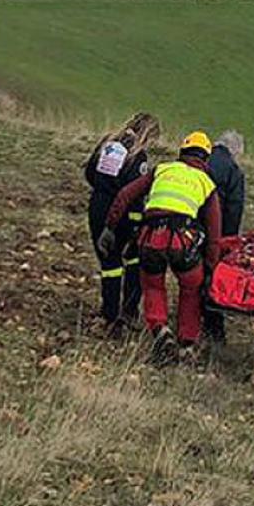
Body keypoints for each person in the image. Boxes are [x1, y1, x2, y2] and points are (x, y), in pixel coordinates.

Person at [102, 131, 221, 360]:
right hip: (182, 241)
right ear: (206, 159)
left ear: (181, 153)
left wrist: (110, 226)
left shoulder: (162, 169)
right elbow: (214, 233)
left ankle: (160, 330)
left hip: (150, 237)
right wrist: (210, 267)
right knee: (191, 288)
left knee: (153, 286)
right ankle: (187, 343)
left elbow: (125, 194)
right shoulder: (207, 184)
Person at [83, 112, 160, 334]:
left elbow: (89, 173)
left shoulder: (106, 144)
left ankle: (109, 313)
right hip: (125, 213)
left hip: (98, 206)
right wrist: (137, 226)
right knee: (133, 260)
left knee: (109, 263)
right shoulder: (138, 156)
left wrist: (103, 187)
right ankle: (129, 311)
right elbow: (135, 192)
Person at [203, 129, 246, 343]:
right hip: (216, 232)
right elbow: (234, 208)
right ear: (235, 151)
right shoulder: (233, 171)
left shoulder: (201, 159)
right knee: (213, 277)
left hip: (189, 228)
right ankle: (213, 327)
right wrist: (229, 241)